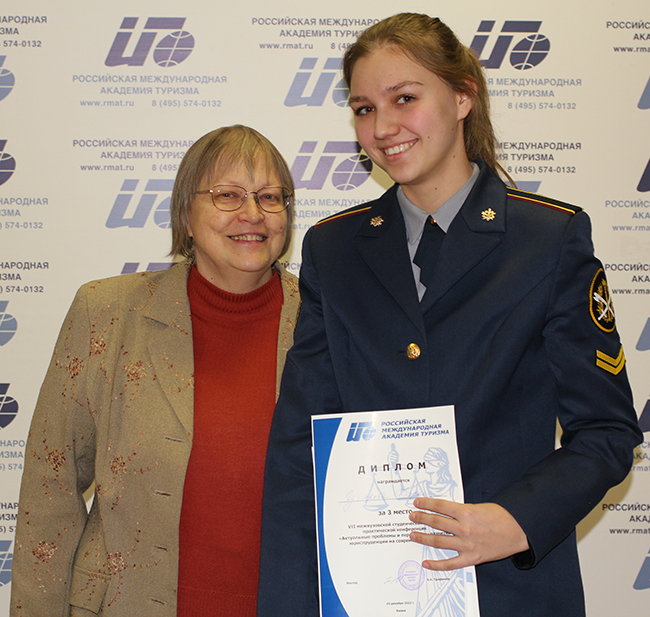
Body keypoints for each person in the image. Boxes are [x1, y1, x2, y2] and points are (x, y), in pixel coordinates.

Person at [257, 13, 642, 617]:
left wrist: (515, 519)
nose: (382, 127)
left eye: (404, 99)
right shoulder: (334, 250)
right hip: (369, 596)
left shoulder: (549, 238)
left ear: (463, 96)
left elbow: (608, 432)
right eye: (363, 108)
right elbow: (297, 452)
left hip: (512, 593)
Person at [10, 125, 300, 617]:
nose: (252, 213)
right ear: (186, 214)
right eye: (227, 195)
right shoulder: (105, 313)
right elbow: (49, 489)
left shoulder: (326, 322)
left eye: (270, 197)